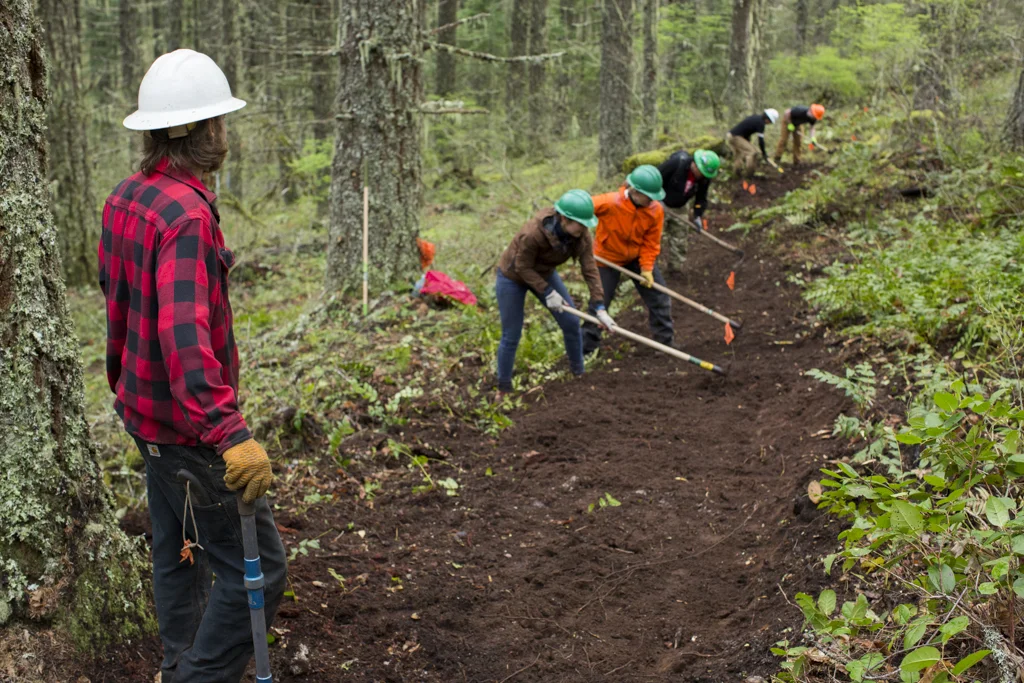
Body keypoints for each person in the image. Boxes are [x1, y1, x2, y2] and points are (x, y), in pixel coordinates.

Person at [98, 49, 286, 683]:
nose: (225, 135)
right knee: (255, 569)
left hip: (144, 417)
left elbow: (119, 306)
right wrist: (230, 434)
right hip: (189, 431)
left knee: (175, 555)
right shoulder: (186, 217)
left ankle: (178, 660)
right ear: (206, 133)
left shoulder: (125, 198)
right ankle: (193, 677)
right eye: (221, 123)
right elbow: (184, 337)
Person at [495, 190, 615, 393]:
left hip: (544, 273)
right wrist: (548, 292)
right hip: (512, 277)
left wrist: (599, 306)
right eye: (580, 223)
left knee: (571, 323)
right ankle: (503, 389)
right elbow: (522, 267)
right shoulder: (533, 234)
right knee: (512, 333)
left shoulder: (581, 234)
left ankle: (579, 375)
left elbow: (589, 268)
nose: (585, 228)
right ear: (564, 219)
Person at [582, 165, 672, 355]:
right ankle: (585, 351)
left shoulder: (655, 210)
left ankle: (664, 344)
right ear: (635, 191)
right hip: (606, 258)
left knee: (659, 296)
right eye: (648, 196)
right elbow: (580, 210)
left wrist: (646, 268)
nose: (652, 201)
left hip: (636, 256)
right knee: (599, 303)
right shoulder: (610, 202)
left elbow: (651, 242)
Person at [656, 149, 721, 269]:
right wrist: (655, 198)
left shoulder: (704, 178)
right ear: (695, 164)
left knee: (679, 239)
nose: (702, 176)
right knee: (654, 238)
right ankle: (650, 269)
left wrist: (697, 215)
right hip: (660, 204)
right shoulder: (677, 164)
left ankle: (675, 269)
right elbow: (655, 177)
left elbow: (701, 198)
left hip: (680, 206)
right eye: (701, 172)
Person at [728, 108, 779, 177]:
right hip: (736, 137)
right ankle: (749, 175)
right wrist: (764, 153)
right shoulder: (761, 123)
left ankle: (737, 175)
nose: (769, 124)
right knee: (752, 152)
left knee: (739, 155)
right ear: (768, 119)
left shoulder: (756, 118)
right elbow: (761, 141)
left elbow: (746, 130)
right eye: (770, 122)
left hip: (731, 135)